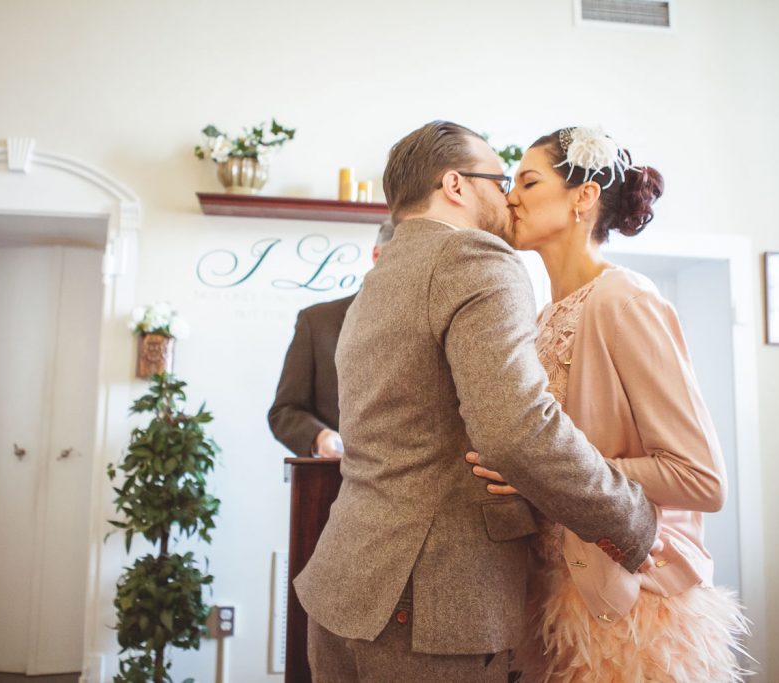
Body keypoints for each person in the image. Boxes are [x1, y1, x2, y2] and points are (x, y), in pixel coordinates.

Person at [293, 120, 660, 682]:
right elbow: (516, 429)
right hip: (429, 603)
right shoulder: (475, 258)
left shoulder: (379, 277)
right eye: (500, 178)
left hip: (341, 584)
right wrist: (630, 520)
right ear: (456, 185)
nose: (509, 196)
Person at [469, 126, 751, 681]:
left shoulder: (625, 299)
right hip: (557, 597)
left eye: (528, 180)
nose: (510, 197)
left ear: (584, 197)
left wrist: (544, 478)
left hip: (630, 607)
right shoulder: (541, 316)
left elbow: (701, 479)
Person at [268, 220, 394, 458]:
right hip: (337, 482)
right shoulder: (316, 322)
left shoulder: (441, 323)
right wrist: (320, 436)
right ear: (377, 255)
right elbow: (285, 412)